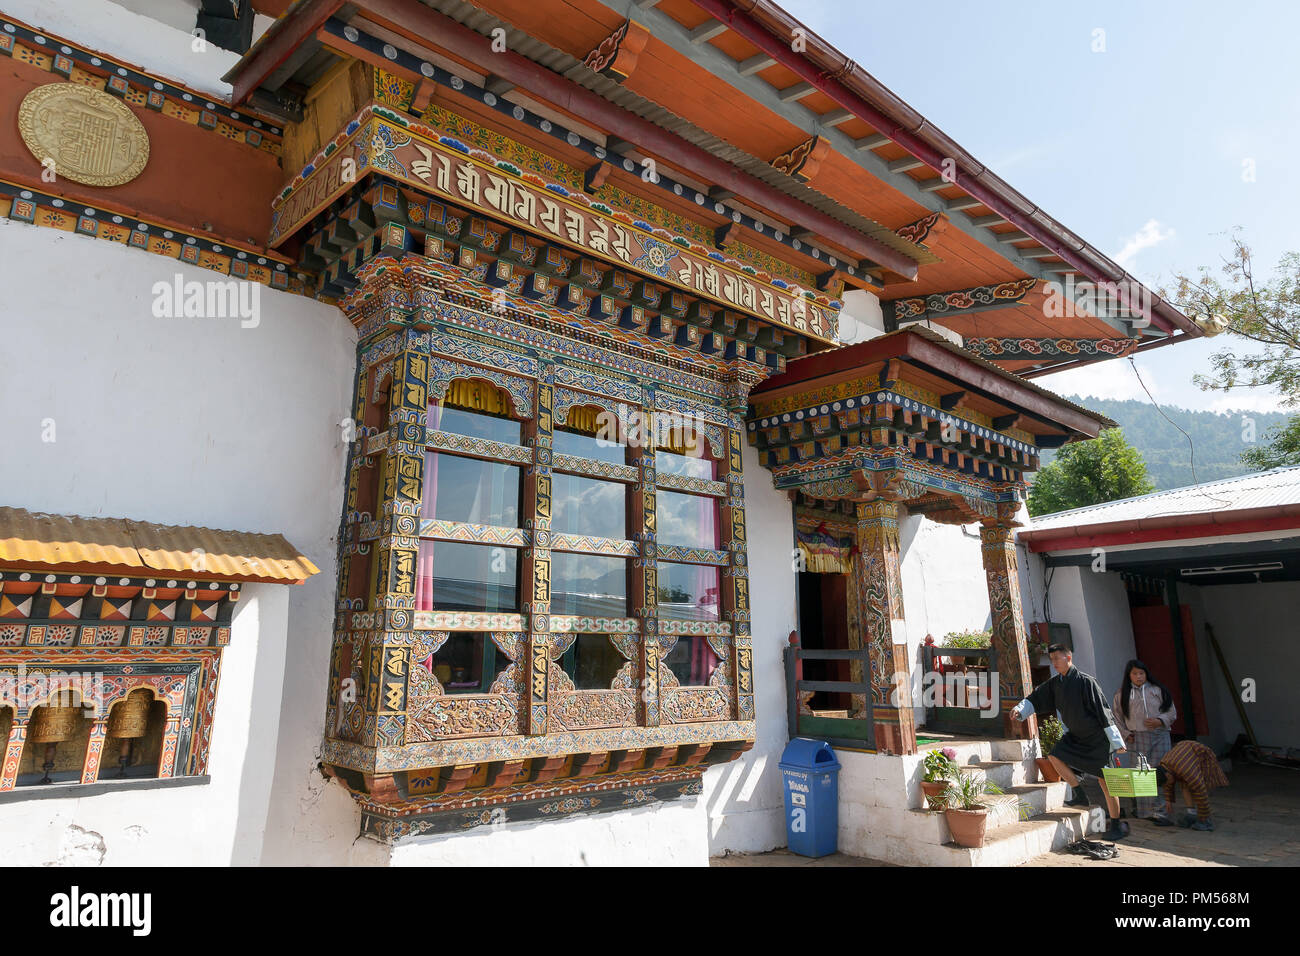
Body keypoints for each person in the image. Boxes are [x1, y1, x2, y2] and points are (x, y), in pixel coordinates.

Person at [1011, 644, 1129, 840]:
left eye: (1058, 658)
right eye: (1052, 659)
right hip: (1075, 736)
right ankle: (1078, 792)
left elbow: (1104, 711)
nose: (1054, 662)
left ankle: (1116, 825)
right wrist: (1020, 709)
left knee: (1106, 782)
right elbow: (1036, 698)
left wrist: (1117, 742)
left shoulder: (1086, 682)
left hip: (1097, 739)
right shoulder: (1055, 683)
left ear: (1068, 657)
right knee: (1054, 755)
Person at [1111, 659, 1176, 820]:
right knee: (1142, 774)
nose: (1139, 677)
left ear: (1146, 674)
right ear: (1129, 676)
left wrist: (1160, 720)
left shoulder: (1158, 690)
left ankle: (1161, 811)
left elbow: (1171, 712)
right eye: (1135, 674)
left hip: (1160, 735)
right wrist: (1126, 734)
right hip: (1137, 737)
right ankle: (1145, 811)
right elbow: (1116, 718)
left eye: (1142, 673)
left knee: (1160, 772)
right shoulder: (1122, 694)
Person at [1153, 739, 1229, 831]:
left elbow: (1200, 790)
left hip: (1202, 756)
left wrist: (1203, 817)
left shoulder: (1186, 770)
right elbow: (1167, 782)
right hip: (1184, 751)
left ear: (1168, 775)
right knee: (1184, 784)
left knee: (1196, 787)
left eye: (1167, 781)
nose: (1168, 784)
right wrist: (1168, 800)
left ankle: (1206, 821)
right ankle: (1191, 814)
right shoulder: (1164, 766)